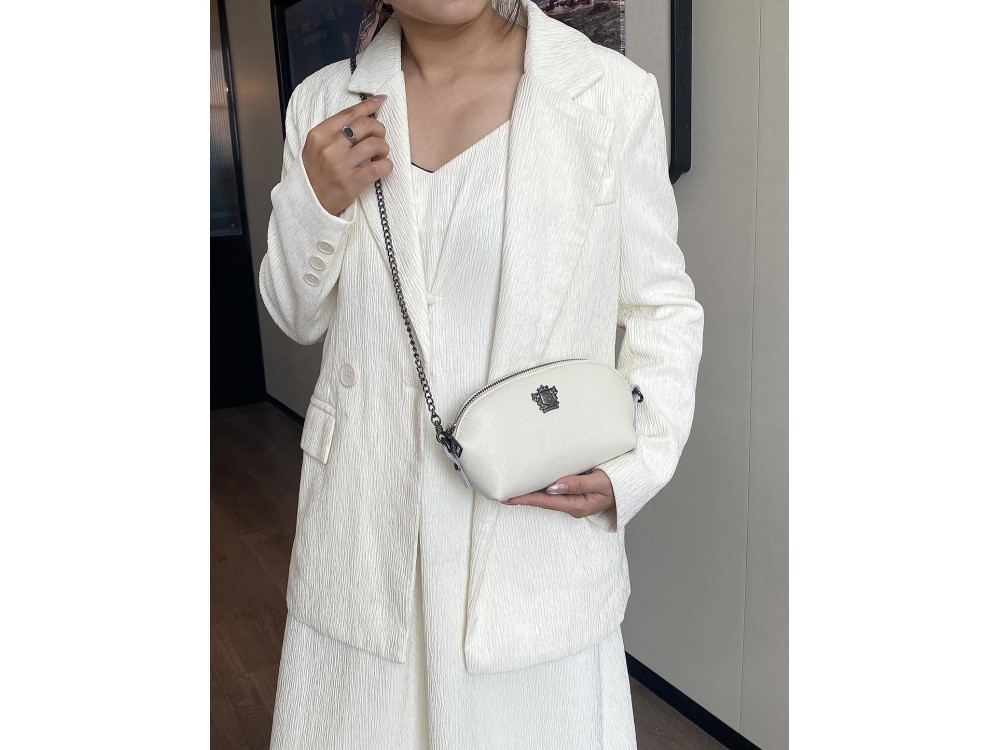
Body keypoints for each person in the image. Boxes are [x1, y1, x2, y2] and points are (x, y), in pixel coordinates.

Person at [258, 0, 704, 747]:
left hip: (532, 524)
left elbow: (660, 306)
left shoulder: (608, 93)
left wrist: (640, 459)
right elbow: (295, 314)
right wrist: (318, 202)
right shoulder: (323, 102)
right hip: (368, 524)